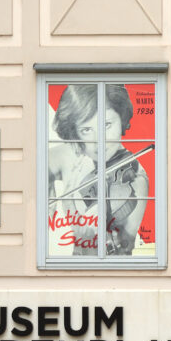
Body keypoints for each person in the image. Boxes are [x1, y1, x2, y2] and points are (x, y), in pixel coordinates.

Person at [48, 84, 148, 255]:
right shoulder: (71, 152)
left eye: (107, 125)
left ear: (122, 118)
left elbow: (123, 249)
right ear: (75, 133)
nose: (99, 140)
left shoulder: (136, 182)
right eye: (86, 130)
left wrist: (72, 210)